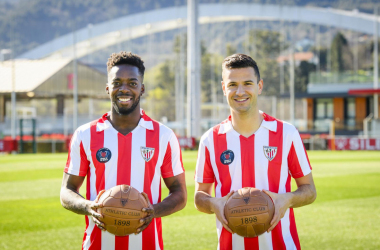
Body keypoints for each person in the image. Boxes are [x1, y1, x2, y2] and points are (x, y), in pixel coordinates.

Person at [60, 51, 187, 250]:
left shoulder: (163, 135)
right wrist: (88, 207)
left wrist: (152, 211)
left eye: (132, 83)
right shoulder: (85, 134)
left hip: (148, 245)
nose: (124, 89)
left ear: (142, 88)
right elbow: (67, 191)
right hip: (96, 245)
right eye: (117, 83)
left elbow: (179, 193)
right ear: (107, 88)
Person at [194, 54, 316, 250]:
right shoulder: (210, 139)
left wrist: (288, 199)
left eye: (247, 83)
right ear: (224, 88)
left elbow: (309, 190)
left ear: (259, 86)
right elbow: (199, 196)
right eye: (232, 84)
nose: (240, 91)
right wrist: (214, 204)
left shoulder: (287, 133)